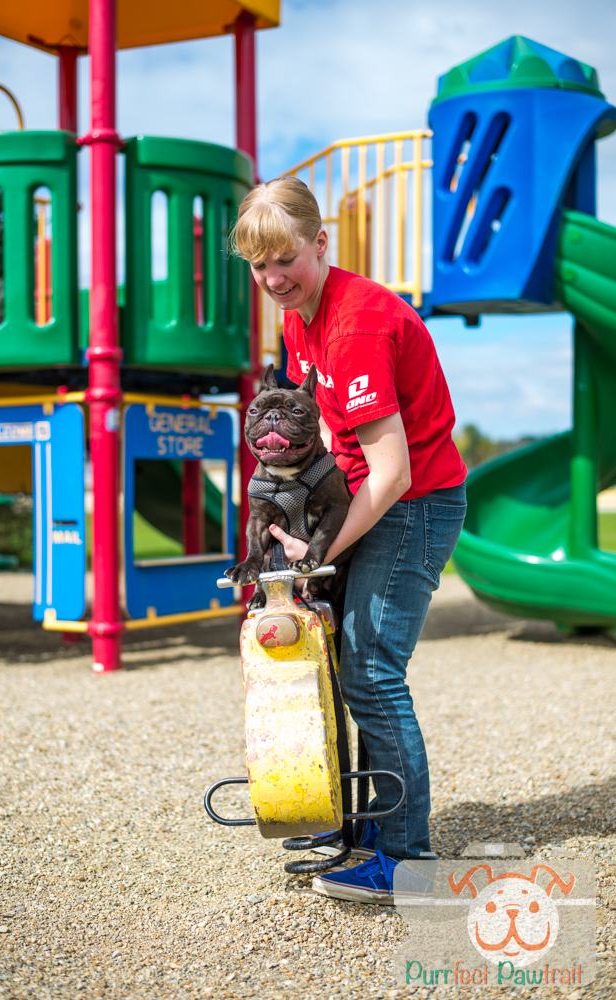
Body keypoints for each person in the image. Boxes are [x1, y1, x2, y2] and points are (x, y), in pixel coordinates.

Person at [233, 177, 467, 905]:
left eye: (286, 260)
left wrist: (319, 552)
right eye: (260, 265)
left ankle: (405, 861)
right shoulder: (300, 319)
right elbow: (330, 437)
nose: (274, 279)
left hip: (413, 504)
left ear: (321, 242)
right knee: (329, 657)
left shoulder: (355, 326)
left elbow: (394, 473)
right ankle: (357, 827)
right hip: (362, 498)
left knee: (371, 669)